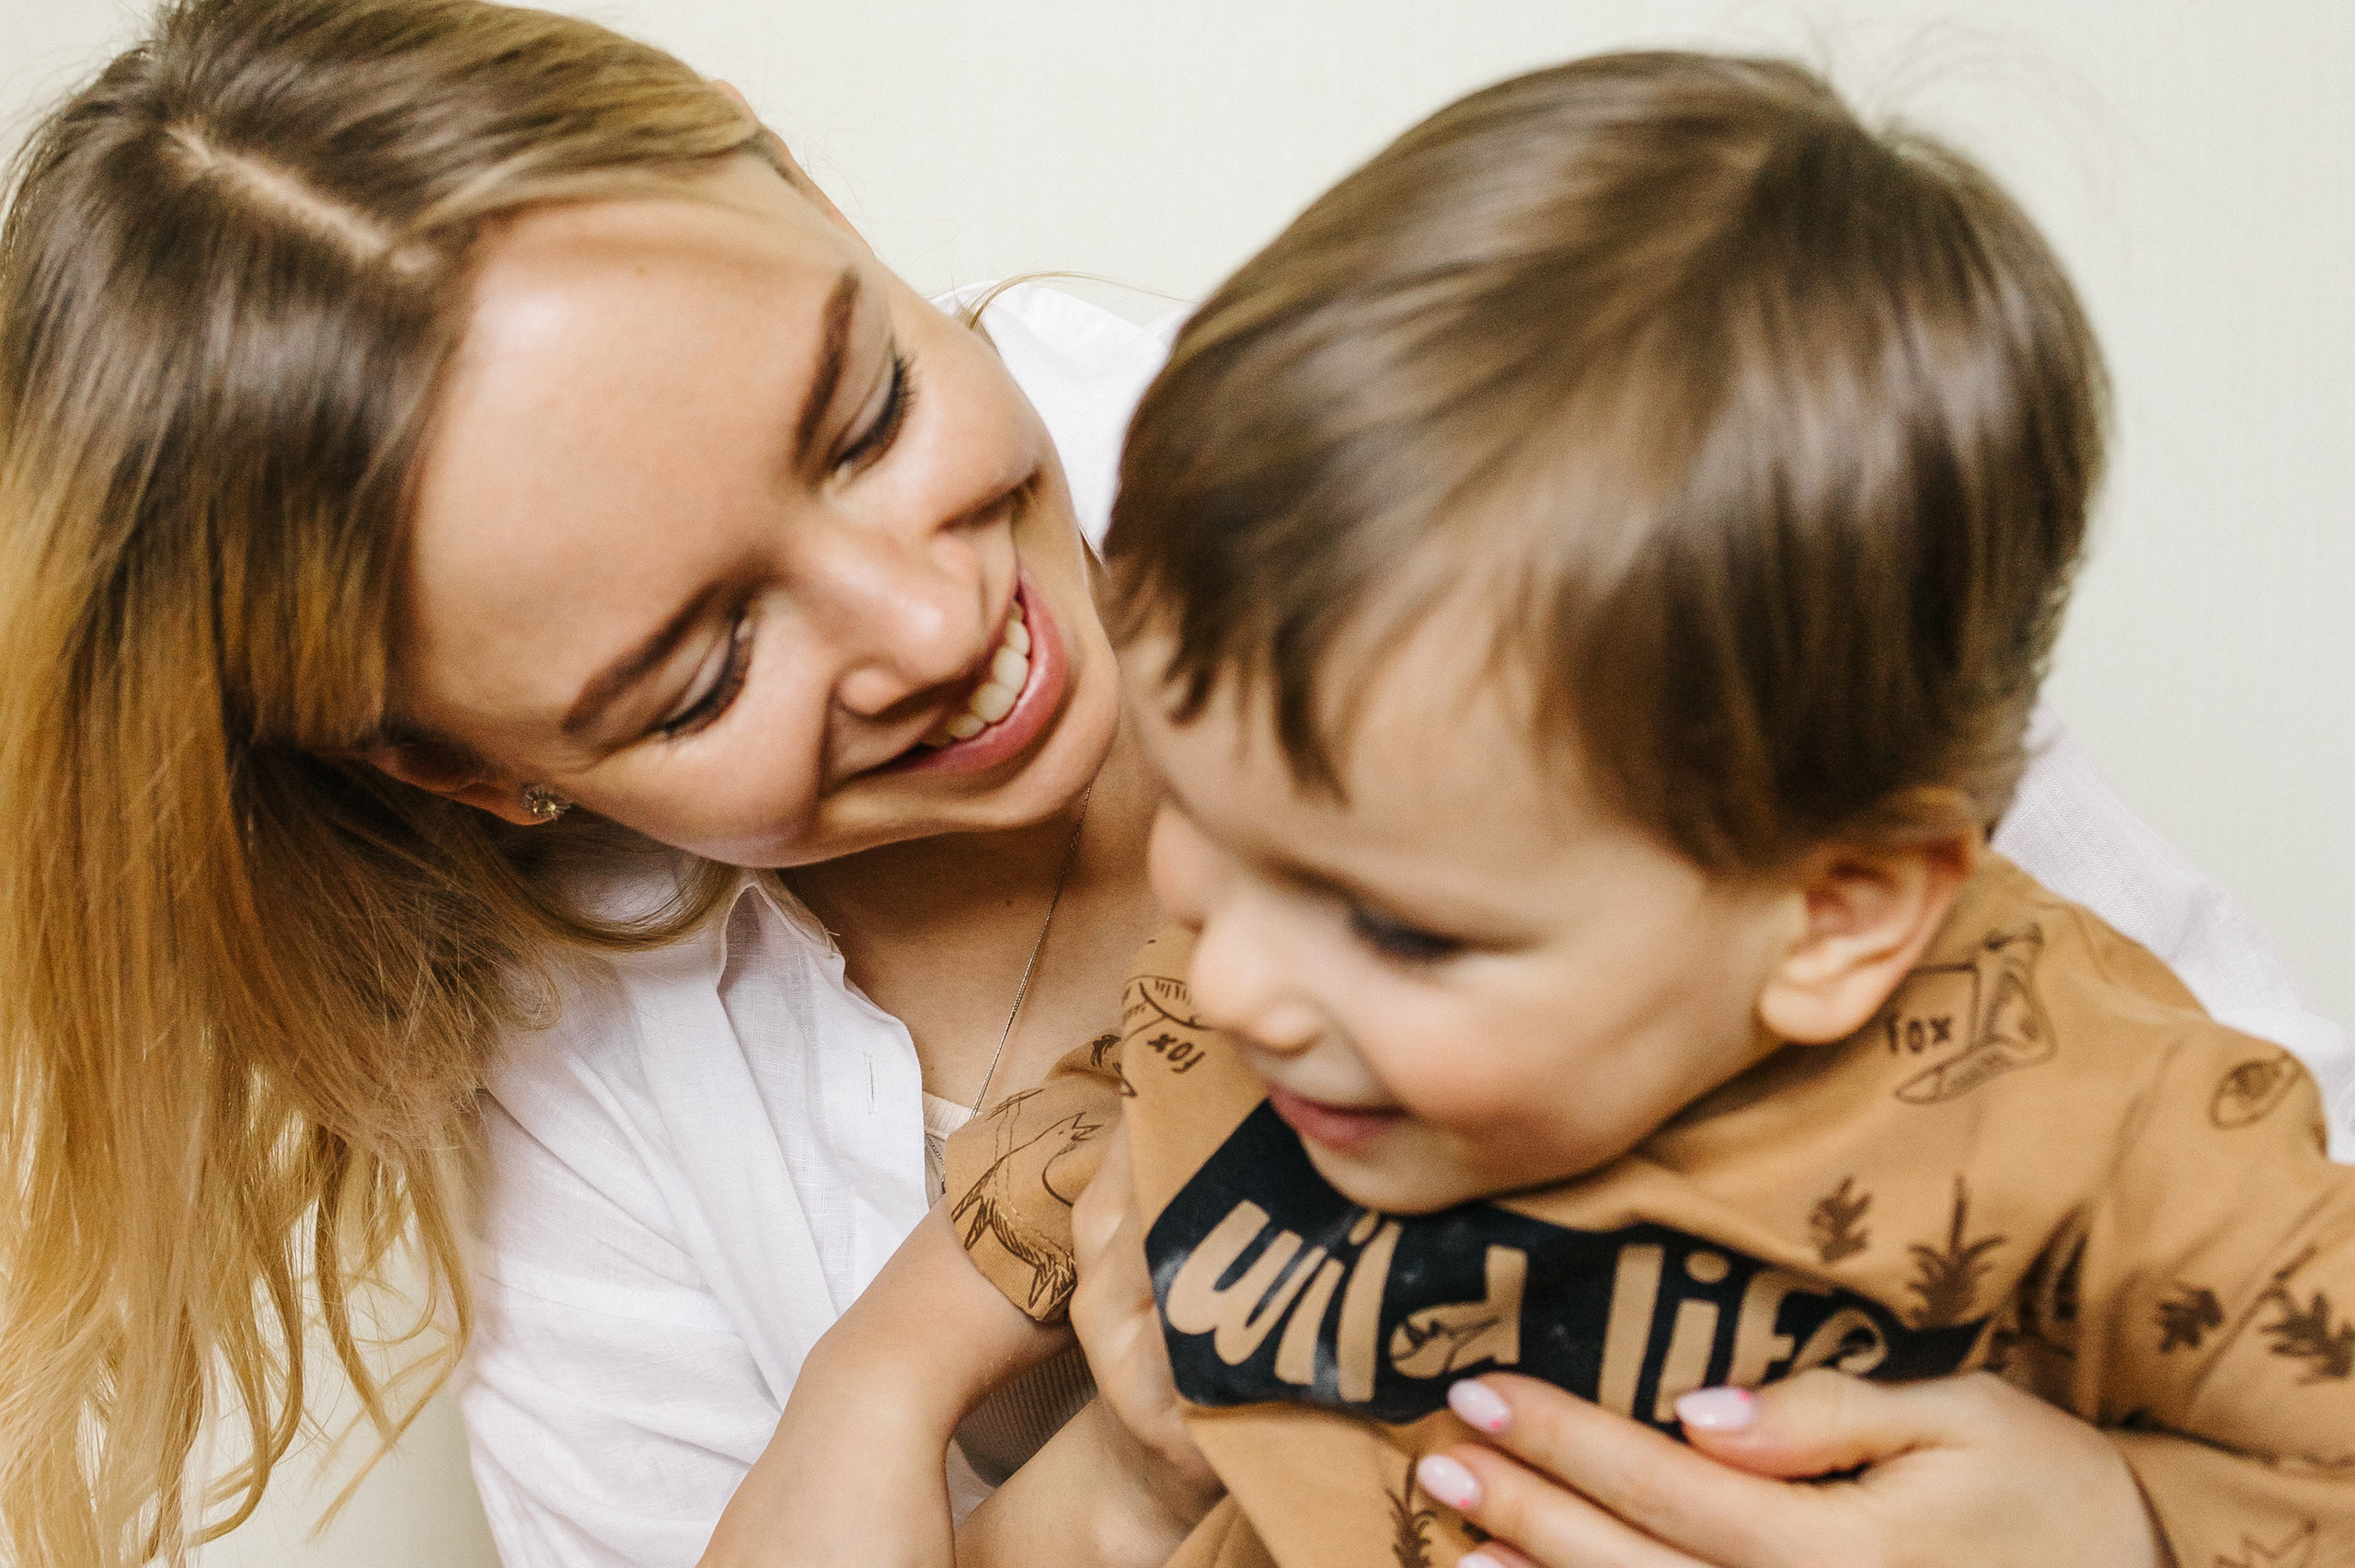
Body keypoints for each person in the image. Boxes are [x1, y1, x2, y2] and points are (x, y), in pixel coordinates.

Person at [0, 5, 2340, 1567]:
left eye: (864, 410)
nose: (934, 632)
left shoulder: (1461, 519)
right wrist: (942, 1421)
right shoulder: (652, 1105)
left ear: (812, 189)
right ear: (461, 767)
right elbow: (1097, 1123)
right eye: (700, 663)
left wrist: (2119, 1530)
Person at [774, 51, 2355, 1568]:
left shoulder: (2104, 1120)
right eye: (1201, 824)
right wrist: (878, 1390)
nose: (1236, 975)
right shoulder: (1284, 986)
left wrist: (2131, 1531)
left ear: (1836, 913)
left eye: (1401, 925)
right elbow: (1103, 1107)